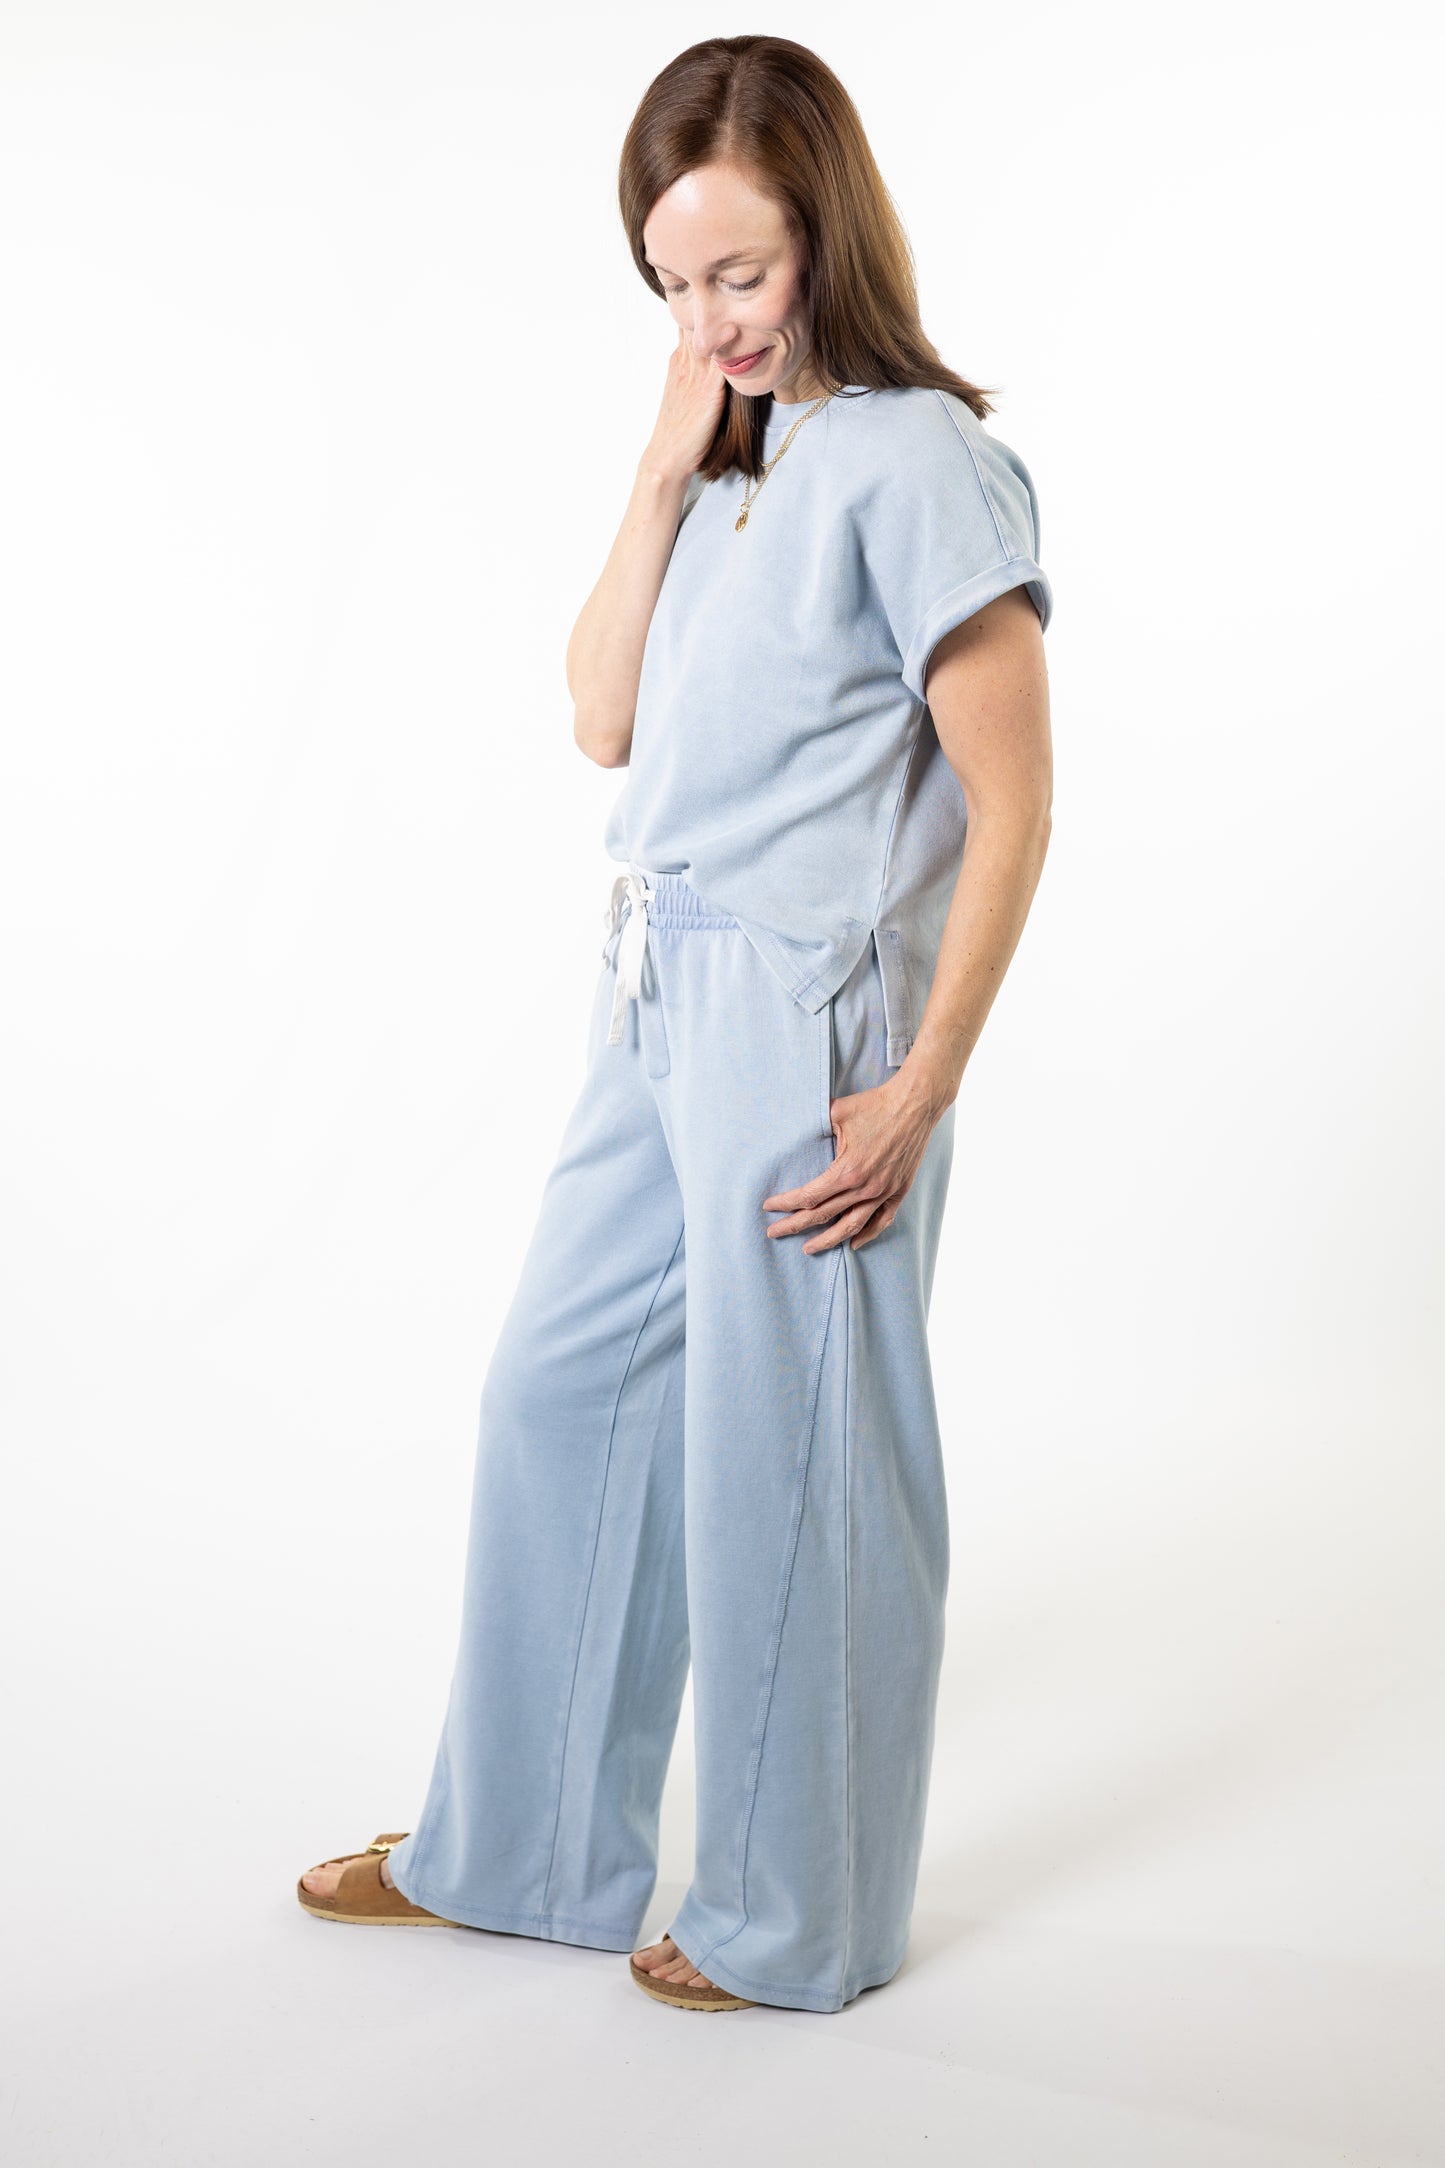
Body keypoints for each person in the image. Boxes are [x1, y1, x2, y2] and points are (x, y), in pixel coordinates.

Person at [296, 33, 1054, 2017]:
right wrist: (655, 464)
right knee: (559, 1390)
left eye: (743, 268)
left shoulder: (916, 457)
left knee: (791, 1467)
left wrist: (920, 1084)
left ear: (829, 232)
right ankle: (528, 1849)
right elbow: (601, 718)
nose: (708, 316)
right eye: (671, 280)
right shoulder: (732, 461)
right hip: (656, 986)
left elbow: (1019, 798)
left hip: (815, 1024)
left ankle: (798, 1922)